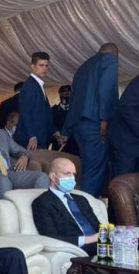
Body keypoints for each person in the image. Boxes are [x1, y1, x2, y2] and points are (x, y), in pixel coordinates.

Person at [62, 43, 119, 197]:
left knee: (88, 168)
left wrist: (66, 130)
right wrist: (104, 119)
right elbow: (106, 90)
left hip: (79, 125)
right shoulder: (109, 60)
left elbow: (75, 100)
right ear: (114, 54)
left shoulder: (83, 67)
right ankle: (87, 206)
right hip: (95, 123)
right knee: (95, 170)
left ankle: (85, 202)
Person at [31, 157, 100, 255]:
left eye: (73, 174)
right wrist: (88, 239)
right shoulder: (42, 202)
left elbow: (97, 226)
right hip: (79, 247)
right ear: (53, 177)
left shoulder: (81, 199)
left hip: (101, 244)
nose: (72, 178)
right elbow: (50, 237)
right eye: (67, 173)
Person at [14, 51, 56, 151]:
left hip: (39, 137)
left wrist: (54, 131)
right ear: (32, 66)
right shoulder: (30, 86)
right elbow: (26, 112)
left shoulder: (37, 85)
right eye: (41, 65)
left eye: (46, 65)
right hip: (31, 140)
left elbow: (44, 113)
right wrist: (32, 136)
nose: (44, 68)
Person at [51, 84, 78, 155]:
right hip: (58, 145)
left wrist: (68, 136)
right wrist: (57, 135)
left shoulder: (76, 111)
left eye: (68, 93)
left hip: (73, 146)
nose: (66, 95)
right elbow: (50, 124)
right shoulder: (54, 110)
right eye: (64, 93)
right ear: (60, 94)